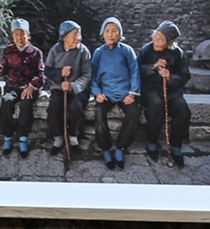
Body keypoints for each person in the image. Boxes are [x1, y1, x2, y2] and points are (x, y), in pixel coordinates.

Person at [136, 21, 191, 166]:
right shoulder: (147, 50)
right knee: (156, 105)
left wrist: (170, 77)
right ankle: (152, 141)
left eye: (160, 38)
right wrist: (153, 67)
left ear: (170, 42)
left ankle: (176, 145)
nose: (155, 40)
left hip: (171, 91)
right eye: (155, 36)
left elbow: (185, 75)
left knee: (181, 107)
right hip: (150, 89)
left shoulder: (177, 53)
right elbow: (136, 70)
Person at [88, 17, 139, 170]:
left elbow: (135, 72)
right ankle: (105, 149)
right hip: (106, 92)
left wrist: (132, 93)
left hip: (125, 92)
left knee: (134, 112)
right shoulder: (98, 52)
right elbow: (93, 75)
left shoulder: (127, 50)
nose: (110, 34)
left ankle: (120, 148)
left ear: (119, 34)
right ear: (103, 34)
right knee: (99, 111)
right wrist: (97, 92)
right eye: (107, 31)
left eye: (114, 31)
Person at [0, 19, 43, 158]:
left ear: (28, 35)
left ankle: (23, 138)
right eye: (16, 35)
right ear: (12, 36)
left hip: (29, 86)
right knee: (6, 102)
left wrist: (32, 86)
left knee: (26, 104)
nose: (19, 38)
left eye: (22, 34)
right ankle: (8, 137)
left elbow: (41, 74)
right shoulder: (9, 51)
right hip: (12, 85)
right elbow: (4, 68)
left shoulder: (36, 52)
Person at [43, 20, 88, 154]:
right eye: (74, 34)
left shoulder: (83, 51)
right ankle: (58, 137)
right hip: (59, 87)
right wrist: (60, 74)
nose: (78, 38)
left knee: (76, 107)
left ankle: (74, 135)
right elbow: (47, 70)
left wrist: (73, 85)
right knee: (54, 106)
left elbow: (87, 74)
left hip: (78, 88)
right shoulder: (55, 50)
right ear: (64, 37)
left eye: (79, 34)